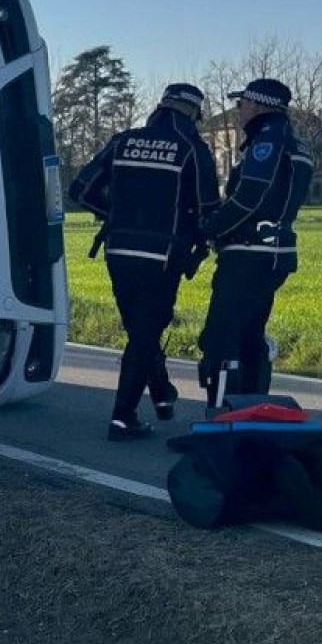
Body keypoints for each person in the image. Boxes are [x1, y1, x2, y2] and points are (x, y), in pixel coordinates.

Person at [68, 83, 219, 439]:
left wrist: (117, 214)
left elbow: (80, 190)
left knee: (139, 330)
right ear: (193, 113)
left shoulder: (123, 141)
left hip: (118, 250)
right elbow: (209, 208)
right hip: (162, 255)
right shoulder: (192, 148)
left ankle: (162, 393)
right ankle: (123, 418)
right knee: (145, 333)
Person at [197, 78, 312, 406]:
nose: (238, 111)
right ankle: (252, 410)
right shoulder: (295, 141)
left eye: (242, 104)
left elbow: (249, 196)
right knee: (249, 334)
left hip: (250, 253)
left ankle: (223, 413)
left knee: (221, 337)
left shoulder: (268, 140)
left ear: (259, 105)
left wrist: (208, 229)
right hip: (276, 253)